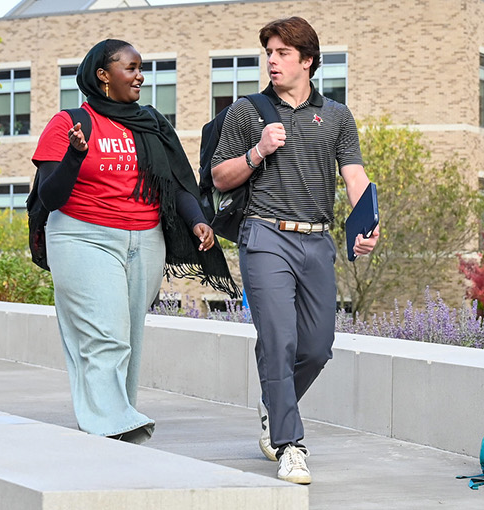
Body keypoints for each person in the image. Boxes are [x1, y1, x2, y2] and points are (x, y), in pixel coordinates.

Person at [31, 39, 234, 445]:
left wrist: (197, 221)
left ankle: (113, 417)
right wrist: (75, 156)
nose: (140, 75)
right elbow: (50, 197)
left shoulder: (152, 124)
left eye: (142, 68)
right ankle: (112, 420)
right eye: (131, 67)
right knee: (105, 335)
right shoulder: (69, 123)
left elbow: (175, 182)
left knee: (128, 337)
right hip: (82, 236)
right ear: (103, 75)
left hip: (145, 239)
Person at [208, 17, 379, 485]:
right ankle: (290, 444)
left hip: (317, 238)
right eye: (269, 53)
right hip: (264, 236)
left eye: (282, 53)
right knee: (279, 340)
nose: (272, 61)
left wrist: (368, 224)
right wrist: (257, 151)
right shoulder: (248, 111)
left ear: (307, 61)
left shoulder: (338, 115)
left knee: (319, 347)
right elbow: (220, 177)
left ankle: (274, 405)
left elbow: (355, 178)